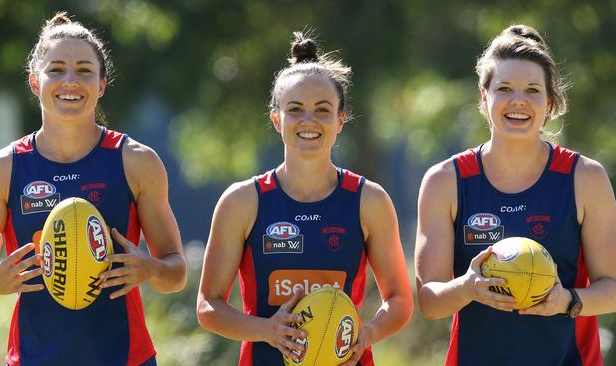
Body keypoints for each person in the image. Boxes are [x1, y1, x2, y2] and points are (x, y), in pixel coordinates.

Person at [0, 12, 187, 366]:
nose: (70, 81)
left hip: (126, 358)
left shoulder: (135, 161)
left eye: (84, 70)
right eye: (56, 69)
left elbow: (175, 269)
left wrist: (150, 269)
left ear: (101, 84)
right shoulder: (1, 168)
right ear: (35, 82)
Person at [196, 32, 413, 366]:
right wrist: (268, 330)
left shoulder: (368, 200)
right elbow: (209, 306)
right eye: (295, 109)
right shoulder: (242, 201)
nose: (308, 121)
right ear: (276, 118)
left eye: (322, 110)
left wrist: (367, 333)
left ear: (341, 120)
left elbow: (399, 300)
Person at [415, 24, 616, 366]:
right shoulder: (445, 180)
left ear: (549, 101)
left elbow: (612, 286)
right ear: (484, 96)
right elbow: (429, 301)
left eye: (532, 90)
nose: (518, 101)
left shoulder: (585, 178)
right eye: (504, 88)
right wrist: (467, 287)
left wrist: (567, 300)